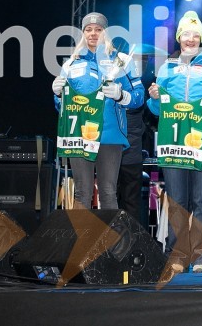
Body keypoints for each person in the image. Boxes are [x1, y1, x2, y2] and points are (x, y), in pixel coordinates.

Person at [147, 11, 202, 274]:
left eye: (195, 35)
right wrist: (153, 97)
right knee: (177, 200)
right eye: (186, 34)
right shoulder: (166, 68)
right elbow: (156, 110)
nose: (191, 39)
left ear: (201, 39)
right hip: (175, 142)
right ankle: (177, 255)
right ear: (179, 38)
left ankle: (201, 257)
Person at [52, 12, 145, 211]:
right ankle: (83, 242)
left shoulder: (121, 60)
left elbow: (139, 96)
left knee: (108, 192)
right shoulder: (71, 63)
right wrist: (58, 95)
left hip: (110, 136)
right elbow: (62, 107)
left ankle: (109, 242)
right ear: (83, 33)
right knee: (82, 192)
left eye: (98, 29)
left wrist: (121, 96)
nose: (93, 33)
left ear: (106, 32)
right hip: (80, 135)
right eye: (88, 29)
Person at [118, 107, 147, 226]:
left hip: (112, 153)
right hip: (132, 153)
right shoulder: (137, 92)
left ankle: (118, 239)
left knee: (110, 199)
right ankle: (131, 240)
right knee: (132, 202)